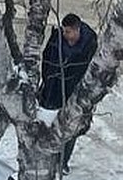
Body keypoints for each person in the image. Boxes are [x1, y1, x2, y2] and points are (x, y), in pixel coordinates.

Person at [40, 12, 98, 169]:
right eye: (64, 31)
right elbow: (47, 58)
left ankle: (62, 162)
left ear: (77, 30)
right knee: (47, 123)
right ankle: (44, 157)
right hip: (52, 88)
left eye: (68, 32)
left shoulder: (89, 45)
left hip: (75, 93)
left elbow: (91, 72)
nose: (65, 35)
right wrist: (47, 79)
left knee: (70, 127)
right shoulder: (57, 38)